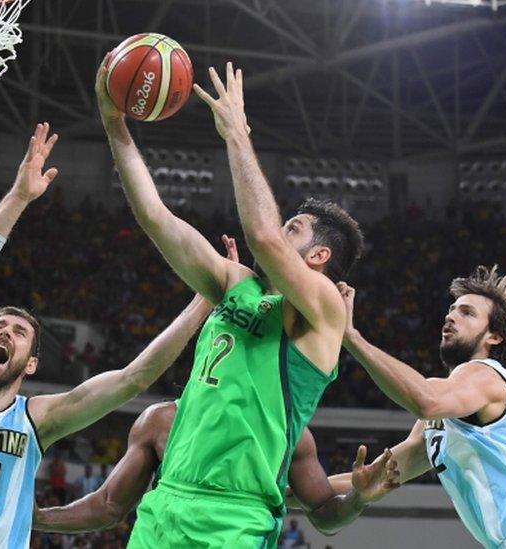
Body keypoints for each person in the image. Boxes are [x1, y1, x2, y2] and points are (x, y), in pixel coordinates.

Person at [0, 124, 215, 549]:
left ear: (31, 363)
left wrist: (200, 304)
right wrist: (18, 198)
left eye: (19, 332)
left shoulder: (37, 420)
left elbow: (133, 379)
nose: (5, 331)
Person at [96, 58, 364, 547]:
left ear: (320, 255)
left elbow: (262, 234)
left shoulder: (323, 309)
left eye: (295, 231)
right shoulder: (235, 282)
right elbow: (155, 217)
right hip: (165, 505)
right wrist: (114, 123)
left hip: (235, 517)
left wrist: (236, 134)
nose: (283, 231)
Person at [340, 265, 506, 549]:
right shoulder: (445, 415)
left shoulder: (486, 375)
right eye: (452, 309)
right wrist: (284, 491)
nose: (451, 316)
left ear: (494, 336)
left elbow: (425, 401)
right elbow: (376, 475)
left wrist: (351, 337)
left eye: (467, 312)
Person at [34, 402, 398, 538]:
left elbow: (325, 515)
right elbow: (109, 505)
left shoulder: (289, 432)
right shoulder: (162, 420)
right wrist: (35, 517)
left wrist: (358, 498)